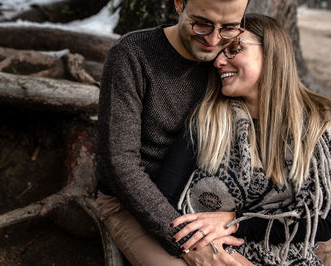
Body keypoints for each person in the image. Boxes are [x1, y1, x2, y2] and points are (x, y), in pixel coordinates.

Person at [157, 13, 331, 265]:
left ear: (272, 53)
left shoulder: (319, 125)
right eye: (219, 52)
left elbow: (324, 222)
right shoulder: (207, 121)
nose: (218, 61)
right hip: (214, 256)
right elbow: (164, 201)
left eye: (233, 49)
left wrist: (236, 221)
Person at [96, 0, 251, 265]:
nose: (213, 41)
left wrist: (234, 218)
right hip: (131, 203)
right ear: (180, 4)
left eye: (228, 28)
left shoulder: (230, 59)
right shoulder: (133, 54)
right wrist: (186, 243)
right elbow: (121, 164)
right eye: (202, 24)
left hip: (204, 200)